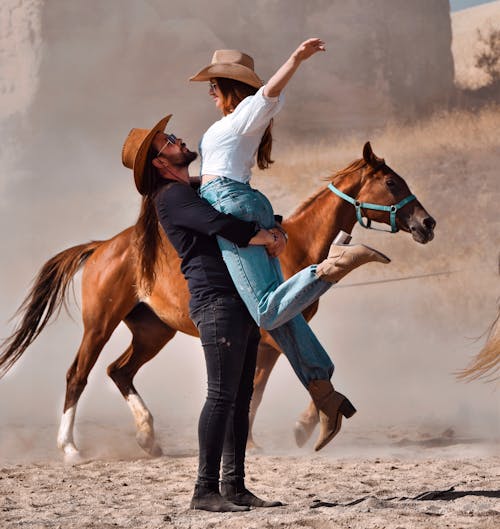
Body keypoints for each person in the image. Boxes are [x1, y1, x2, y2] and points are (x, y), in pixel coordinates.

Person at [189, 39, 391, 450]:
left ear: (230, 86)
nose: (209, 92)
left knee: (264, 312)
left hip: (233, 203)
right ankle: (325, 394)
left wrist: (296, 59)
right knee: (279, 311)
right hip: (238, 199)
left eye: (214, 85)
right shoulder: (232, 122)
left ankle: (331, 265)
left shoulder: (248, 112)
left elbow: (270, 92)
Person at [122, 115, 283, 512]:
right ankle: (204, 490)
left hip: (237, 298)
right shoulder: (172, 198)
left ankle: (235, 486)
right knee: (221, 395)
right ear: (160, 162)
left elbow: (232, 204)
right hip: (215, 301)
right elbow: (218, 223)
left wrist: (273, 225)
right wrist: (264, 236)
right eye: (169, 141)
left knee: (239, 395)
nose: (179, 140)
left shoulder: (192, 189)